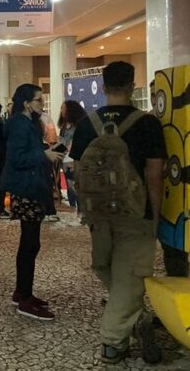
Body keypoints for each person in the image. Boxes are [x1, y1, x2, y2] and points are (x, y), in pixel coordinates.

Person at [70, 62, 166, 365]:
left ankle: (135, 318)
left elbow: (77, 171)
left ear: (103, 86)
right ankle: (112, 341)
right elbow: (154, 174)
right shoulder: (147, 124)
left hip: (99, 214)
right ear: (132, 86)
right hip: (135, 213)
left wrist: (87, 209)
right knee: (131, 275)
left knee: (106, 267)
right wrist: (155, 215)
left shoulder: (87, 124)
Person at [1, 84, 63, 321]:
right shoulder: (19, 124)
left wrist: (45, 150)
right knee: (29, 243)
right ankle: (24, 297)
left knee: (31, 242)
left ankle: (22, 292)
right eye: (38, 100)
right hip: (26, 188)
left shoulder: (29, 122)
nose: (42, 103)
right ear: (26, 103)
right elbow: (17, 157)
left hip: (33, 185)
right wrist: (43, 154)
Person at [148, 80, 189, 277]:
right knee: (172, 246)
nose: (154, 100)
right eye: (153, 95)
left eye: (158, 94)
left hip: (180, 189)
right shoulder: (148, 122)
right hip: (165, 193)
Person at [57, 100, 87, 212]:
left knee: (76, 184)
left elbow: (74, 143)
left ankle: (80, 209)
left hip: (74, 158)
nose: (62, 111)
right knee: (69, 185)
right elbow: (61, 142)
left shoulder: (78, 126)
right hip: (65, 159)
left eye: (64, 109)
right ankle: (72, 207)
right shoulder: (63, 127)